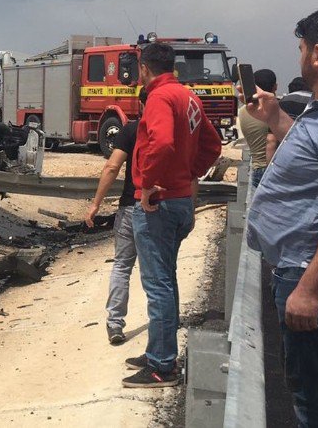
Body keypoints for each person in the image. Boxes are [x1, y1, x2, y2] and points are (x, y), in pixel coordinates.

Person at [245, 7, 318, 426]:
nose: (297, 57)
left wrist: (310, 289)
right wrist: (276, 117)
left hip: (308, 276)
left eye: (300, 49)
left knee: (313, 400)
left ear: (317, 54)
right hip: (297, 271)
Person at [121, 42, 222, 388]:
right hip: (178, 201)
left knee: (158, 283)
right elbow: (213, 144)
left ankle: (162, 366)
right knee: (167, 278)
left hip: (158, 204)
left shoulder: (160, 98)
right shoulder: (188, 96)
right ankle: (158, 351)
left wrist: (148, 183)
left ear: (145, 69)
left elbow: (161, 144)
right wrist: (188, 174)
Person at [85, 89, 147, 346]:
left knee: (122, 265)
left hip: (131, 207)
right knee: (158, 271)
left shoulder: (131, 130)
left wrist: (95, 204)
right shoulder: (171, 129)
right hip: (160, 207)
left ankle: (115, 323)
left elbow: (112, 167)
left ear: (141, 103)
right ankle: (165, 324)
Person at [237, 68, 277, 189]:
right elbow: (272, 140)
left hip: (255, 167)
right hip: (270, 168)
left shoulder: (243, 111)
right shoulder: (273, 110)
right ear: (275, 86)